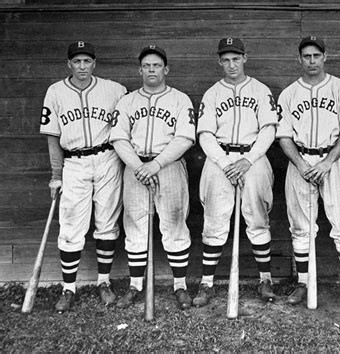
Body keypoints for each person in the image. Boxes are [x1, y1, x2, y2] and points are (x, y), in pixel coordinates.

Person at [40, 41, 127, 312]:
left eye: (86, 61)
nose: (82, 67)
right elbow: (53, 138)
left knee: (107, 223)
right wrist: (56, 175)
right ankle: (68, 288)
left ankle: (103, 282)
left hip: (107, 158)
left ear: (94, 63)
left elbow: (130, 123)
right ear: (68, 64)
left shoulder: (114, 90)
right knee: (70, 227)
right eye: (76, 61)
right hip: (74, 162)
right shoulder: (55, 92)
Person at [276, 36, 340, 307]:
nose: (312, 61)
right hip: (300, 161)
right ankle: (303, 282)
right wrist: (301, 164)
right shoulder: (289, 93)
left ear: (325, 57)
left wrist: (327, 161)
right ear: (299, 59)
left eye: (316, 55)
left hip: (334, 161)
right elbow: (283, 136)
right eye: (306, 56)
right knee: (300, 226)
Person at [192, 37, 279, 307]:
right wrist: (224, 161)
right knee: (215, 221)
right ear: (220, 62)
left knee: (257, 219)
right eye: (226, 59)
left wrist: (248, 159)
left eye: (236, 58)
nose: (231, 64)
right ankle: (206, 283)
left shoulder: (261, 90)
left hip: (254, 158)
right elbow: (204, 134)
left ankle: (265, 279)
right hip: (219, 160)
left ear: (245, 58)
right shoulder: (212, 93)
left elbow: (269, 130)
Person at [110, 45, 195, 310]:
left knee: (174, 224)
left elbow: (185, 138)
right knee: (135, 226)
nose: (151, 70)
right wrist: (138, 166)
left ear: (166, 69)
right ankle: (135, 286)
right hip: (136, 167)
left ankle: (179, 285)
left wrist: (155, 165)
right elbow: (118, 138)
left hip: (168, 165)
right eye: (146, 66)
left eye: (156, 65)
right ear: (140, 70)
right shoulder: (127, 101)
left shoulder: (180, 99)